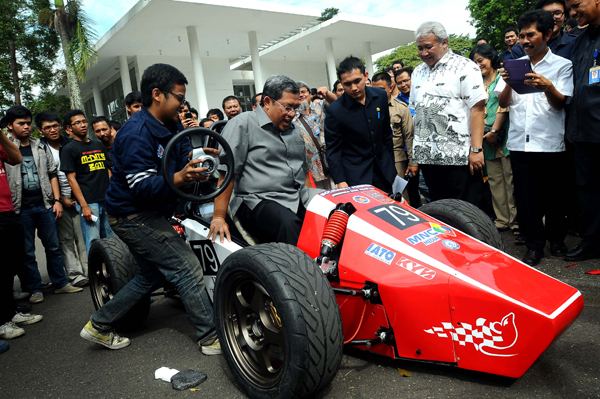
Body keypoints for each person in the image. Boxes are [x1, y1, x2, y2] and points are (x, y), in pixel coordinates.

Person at [80, 63, 221, 354]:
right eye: (179, 98)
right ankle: (211, 337)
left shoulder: (172, 124)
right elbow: (141, 186)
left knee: (150, 276)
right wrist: (179, 177)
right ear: (157, 94)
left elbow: (181, 152)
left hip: (148, 213)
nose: (182, 104)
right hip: (133, 217)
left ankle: (98, 325)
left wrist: (197, 157)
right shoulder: (135, 133)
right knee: (186, 267)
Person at [495, 10, 573, 266]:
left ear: (547, 34)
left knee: (554, 198)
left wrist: (548, 86)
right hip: (520, 143)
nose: (525, 41)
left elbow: (562, 103)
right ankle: (534, 245)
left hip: (550, 142)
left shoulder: (562, 65)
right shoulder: (512, 65)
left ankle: (557, 241)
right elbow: (503, 103)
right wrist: (508, 82)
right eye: (522, 36)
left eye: (531, 35)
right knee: (527, 200)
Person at [208, 74, 318, 246]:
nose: (292, 114)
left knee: (336, 210)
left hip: (296, 195)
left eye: (296, 108)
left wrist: (314, 201)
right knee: (288, 224)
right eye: (288, 107)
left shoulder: (293, 128)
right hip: (257, 200)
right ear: (267, 101)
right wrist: (218, 217)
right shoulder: (242, 124)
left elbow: (303, 172)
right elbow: (227, 174)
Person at [3, 106, 82, 304]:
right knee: (27, 251)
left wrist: (56, 201)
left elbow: (52, 174)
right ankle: (35, 288)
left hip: (44, 204)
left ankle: (60, 283)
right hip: (19, 208)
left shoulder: (40, 145)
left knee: (53, 246)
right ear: (10, 126)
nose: (26, 127)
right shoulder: (6, 146)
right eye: (21, 123)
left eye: (28, 123)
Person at [410, 22, 487, 205]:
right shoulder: (417, 72)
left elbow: (477, 108)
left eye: (429, 47)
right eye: (420, 48)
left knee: (467, 209)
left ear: (444, 42)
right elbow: (416, 112)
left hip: (458, 156)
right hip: (427, 157)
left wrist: (476, 150)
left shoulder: (465, 67)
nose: (424, 53)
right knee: (441, 209)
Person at [324, 56, 396, 192]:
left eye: (357, 81)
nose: (354, 88)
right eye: (347, 84)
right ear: (341, 83)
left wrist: (391, 164)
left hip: (384, 170)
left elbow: (386, 134)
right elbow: (333, 150)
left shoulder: (380, 96)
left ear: (366, 76)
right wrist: (341, 181)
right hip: (356, 176)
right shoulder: (335, 111)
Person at [0, 120, 44, 343]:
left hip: (8, 211)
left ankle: (10, 314)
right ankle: (2, 321)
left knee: (10, 267)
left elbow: (16, 159)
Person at [563, 0, 600, 261]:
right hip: (583, 132)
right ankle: (592, 243)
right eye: (570, 10)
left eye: (577, 5)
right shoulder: (581, 39)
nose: (573, 14)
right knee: (587, 190)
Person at [470, 45, 518, 235]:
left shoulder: (501, 77)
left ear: (491, 58)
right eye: (474, 62)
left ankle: (516, 221)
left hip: (504, 134)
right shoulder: (476, 83)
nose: (478, 64)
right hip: (484, 138)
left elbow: (503, 106)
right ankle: (502, 219)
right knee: (495, 180)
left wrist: (495, 130)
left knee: (511, 178)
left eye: (481, 60)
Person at [38, 111, 88, 287]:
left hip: (78, 197)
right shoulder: (40, 149)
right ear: (40, 130)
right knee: (65, 239)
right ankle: (75, 275)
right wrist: (59, 199)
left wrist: (76, 197)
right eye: (48, 127)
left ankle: (88, 271)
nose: (52, 130)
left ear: (61, 127)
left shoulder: (70, 144)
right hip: (57, 201)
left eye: (55, 126)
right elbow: (45, 178)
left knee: (82, 236)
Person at [61, 110, 115, 254]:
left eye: (84, 121)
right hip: (89, 203)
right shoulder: (69, 149)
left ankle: (116, 274)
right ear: (68, 129)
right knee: (93, 241)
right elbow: (71, 179)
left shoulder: (98, 145)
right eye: (77, 123)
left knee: (113, 239)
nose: (83, 125)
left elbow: (108, 170)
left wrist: (113, 193)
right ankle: (96, 275)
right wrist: (84, 205)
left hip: (107, 199)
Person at [371, 72, 417, 201]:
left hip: (397, 160)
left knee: (400, 195)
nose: (376, 93)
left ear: (390, 88)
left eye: (380, 89)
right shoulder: (370, 109)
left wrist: (413, 162)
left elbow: (409, 136)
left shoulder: (401, 109)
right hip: (376, 160)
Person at [293, 81, 334, 189]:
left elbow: (336, 102)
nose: (301, 95)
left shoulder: (320, 106)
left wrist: (327, 93)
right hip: (311, 169)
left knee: (337, 195)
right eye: (297, 93)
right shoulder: (292, 117)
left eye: (303, 91)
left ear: (310, 93)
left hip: (330, 161)